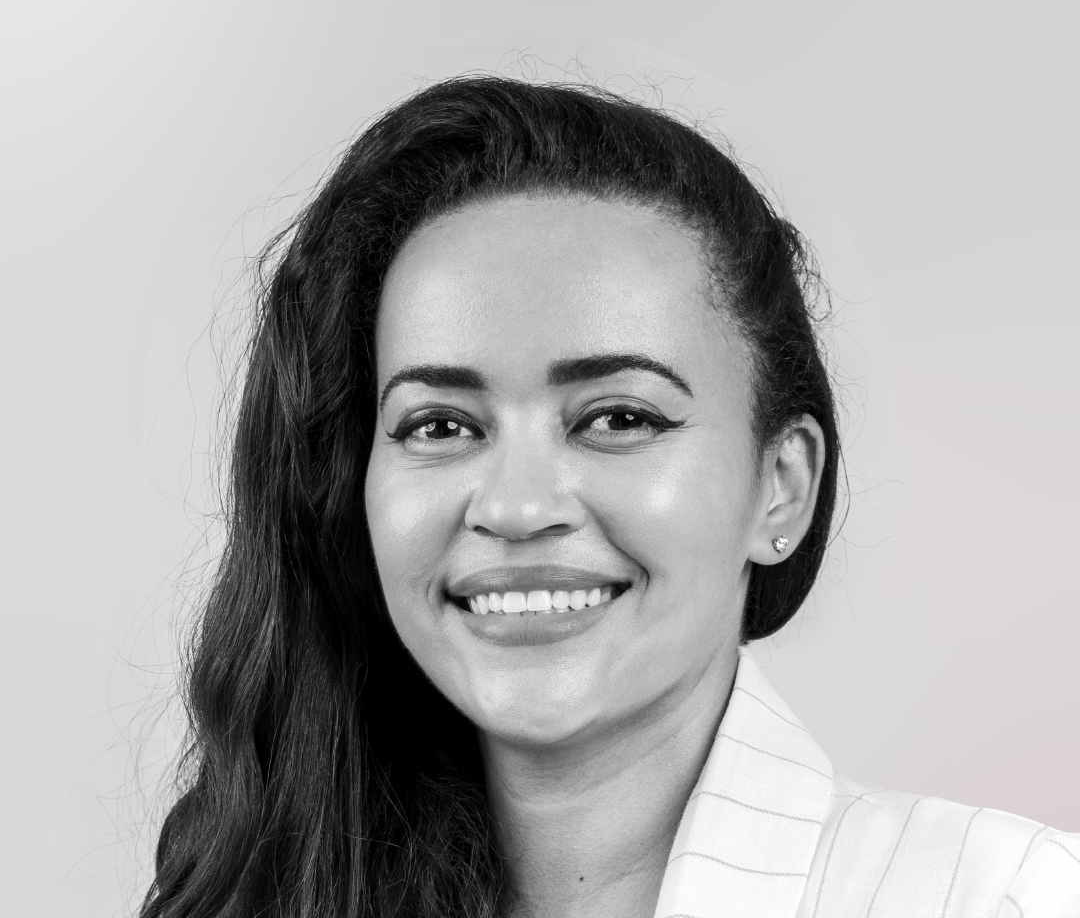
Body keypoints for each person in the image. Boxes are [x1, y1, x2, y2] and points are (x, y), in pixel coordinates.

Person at [140, 77, 1079, 918]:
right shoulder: (262, 887)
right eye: (440, 426)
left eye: (618, 418)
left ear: (781, 487)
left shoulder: (1007, 896)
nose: (515, 507)